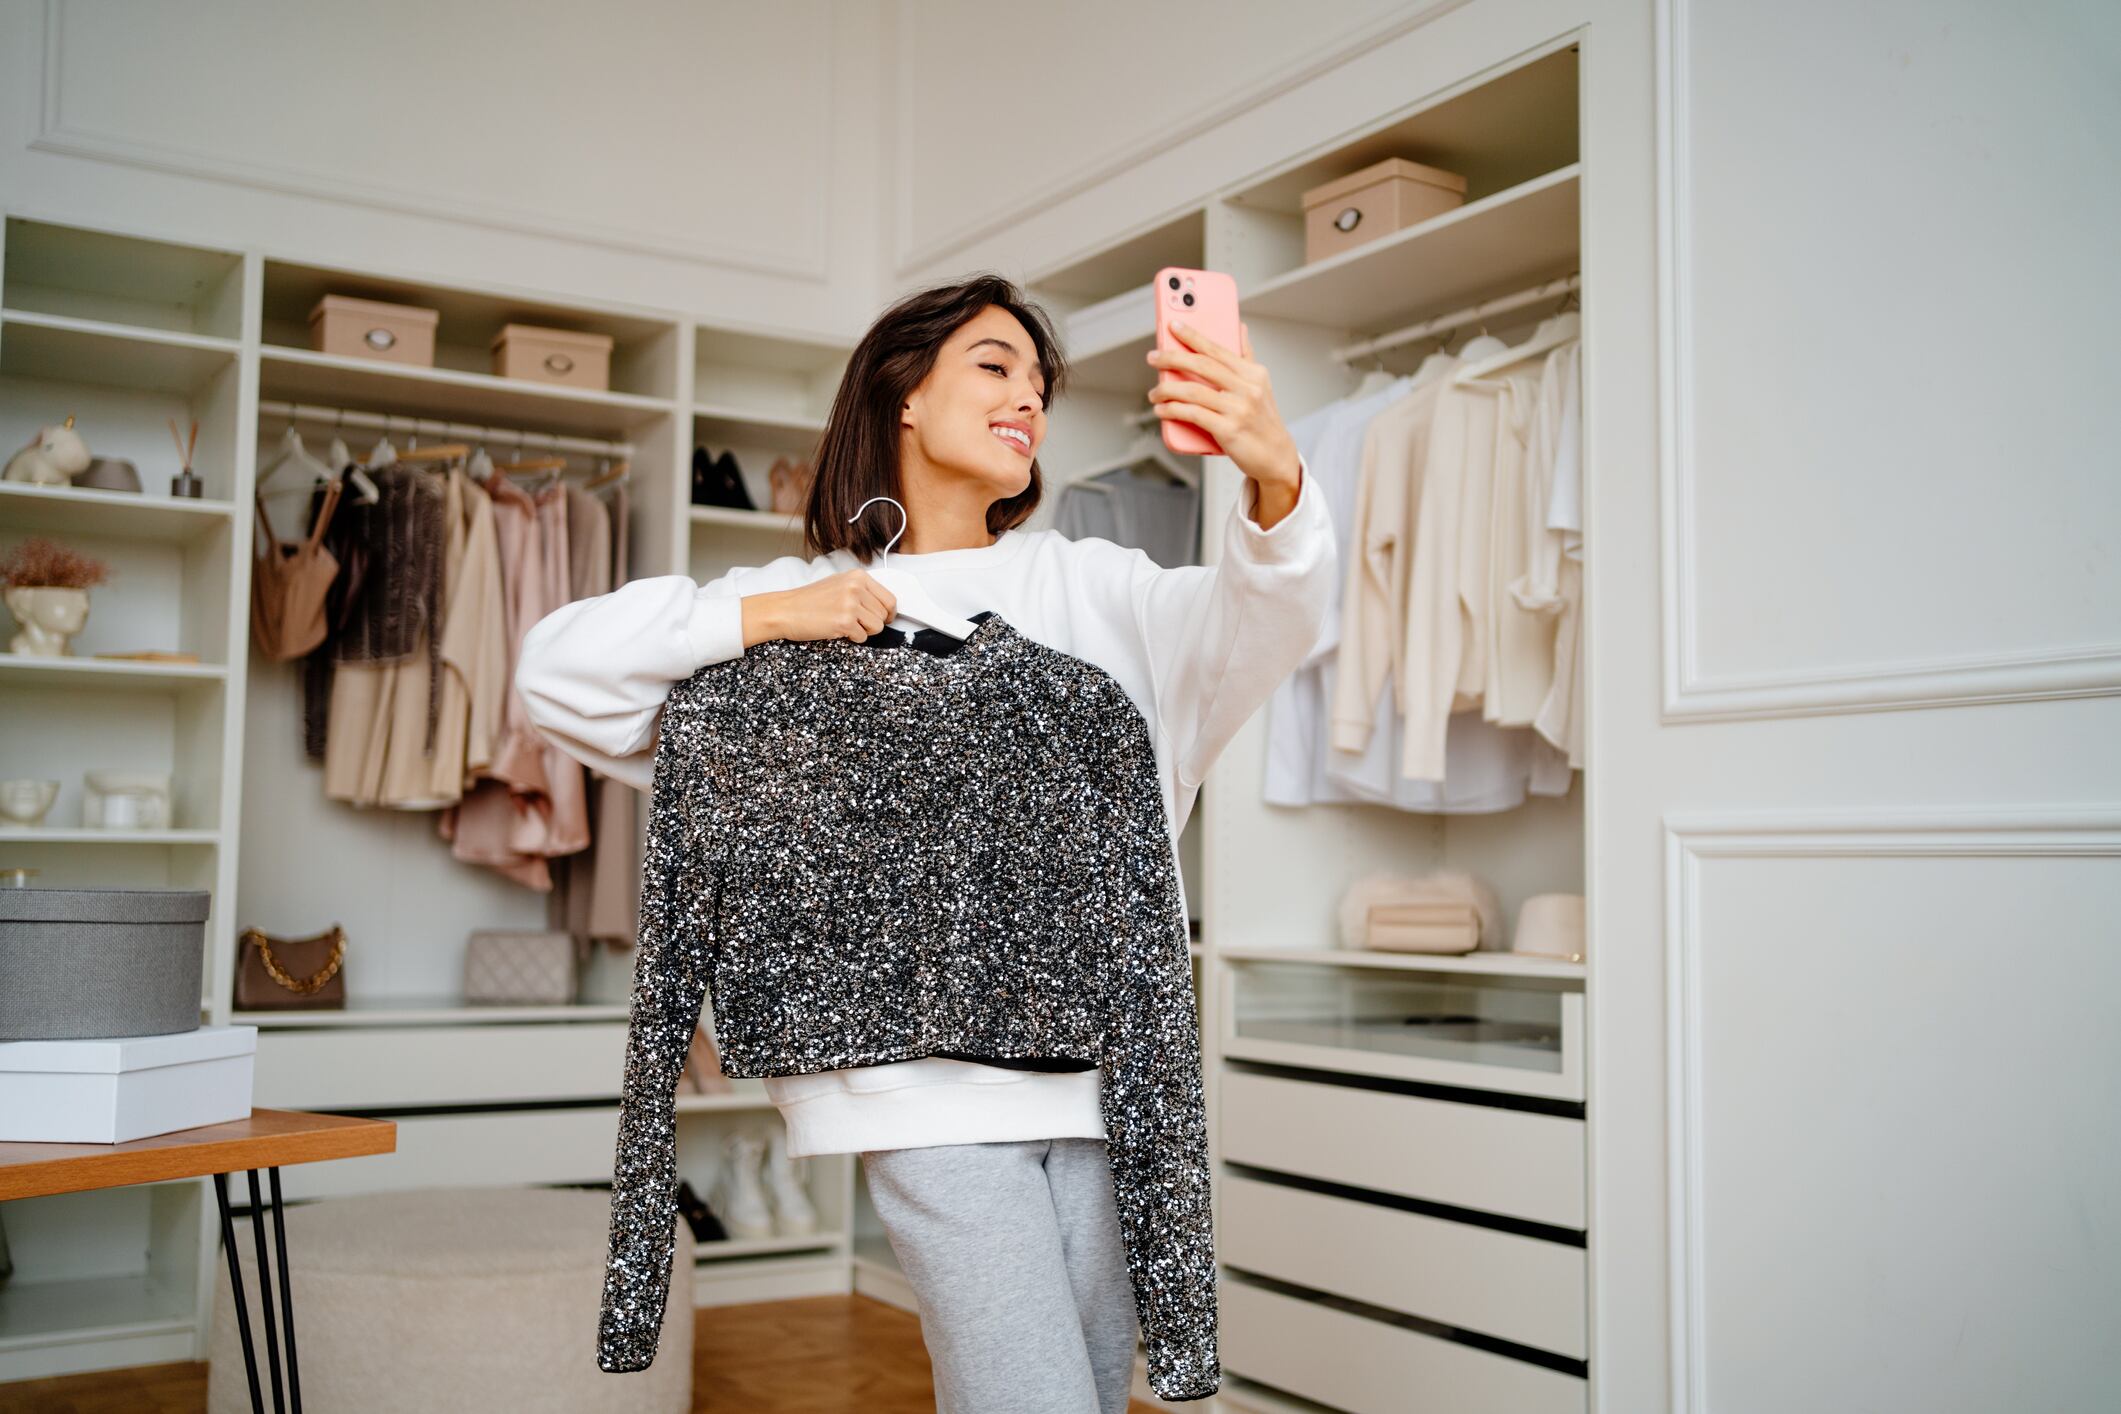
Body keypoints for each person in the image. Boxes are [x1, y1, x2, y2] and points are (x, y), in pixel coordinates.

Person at [516, 272, 1334, 1413]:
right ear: (903, 392)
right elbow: (554, 674)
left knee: (1083, 1396)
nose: (1028, 401)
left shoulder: (1094, 590)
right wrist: (767, 619)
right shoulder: (800, 601)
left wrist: (1274, 476)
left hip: (1104, 1092)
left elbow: (1272, 619)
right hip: (916, 1091)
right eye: (995, 367)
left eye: (1041, 386)